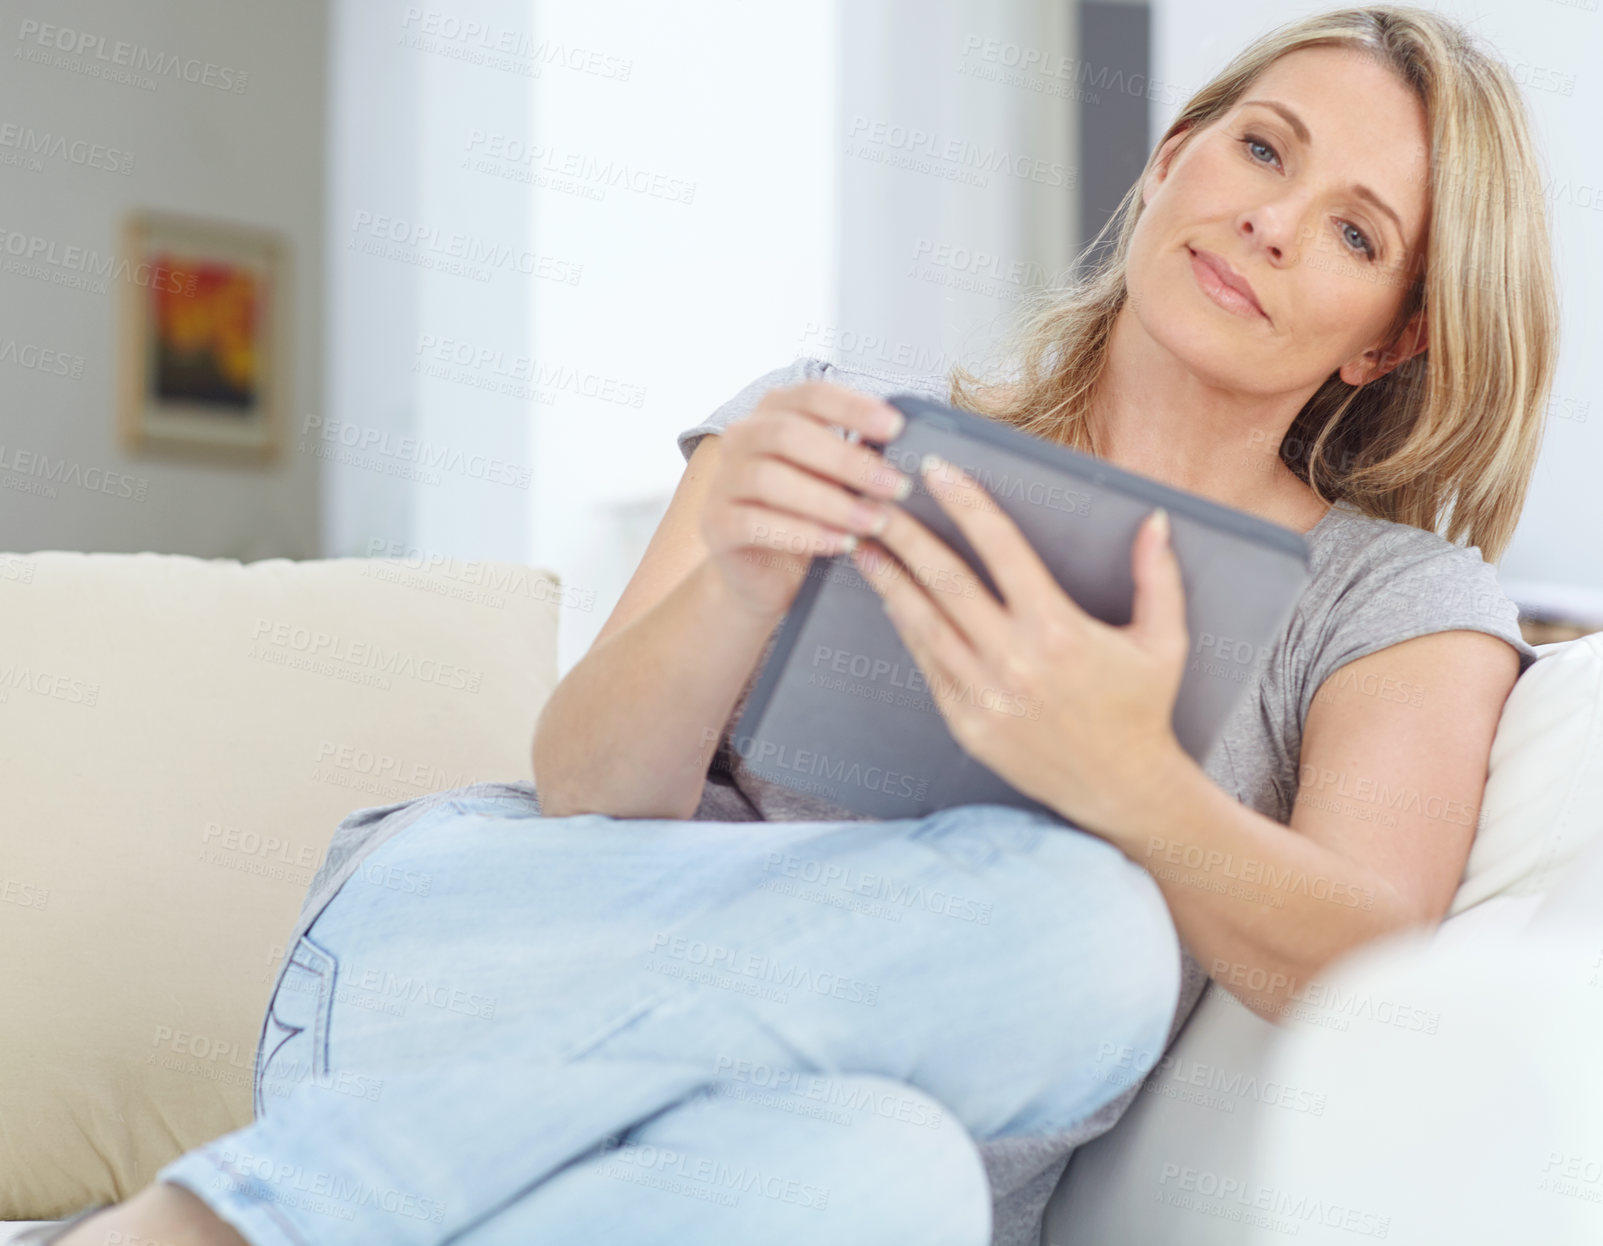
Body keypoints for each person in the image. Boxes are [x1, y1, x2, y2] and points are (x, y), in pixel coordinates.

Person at [43, 6, 1554, 1246]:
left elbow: (1371, 964)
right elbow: (587, 791)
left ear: (1396, 334)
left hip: (794, 1192)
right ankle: (222, 1222)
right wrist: (744, 582)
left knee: (895, 1182)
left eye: (1356, 234)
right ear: (1171, 160)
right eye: (1260, 147)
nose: (1271, 223)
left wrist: (1129, 784)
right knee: (1079, 925)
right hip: (443, 985)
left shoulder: (1391, 599)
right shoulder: (834, 419)